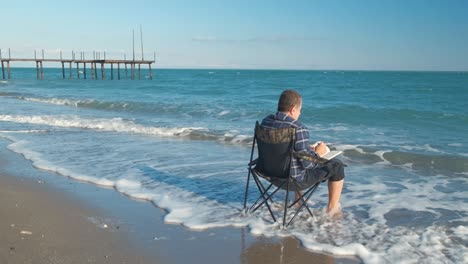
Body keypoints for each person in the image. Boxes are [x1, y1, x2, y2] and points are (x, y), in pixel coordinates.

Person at [261, 89, 345, 216]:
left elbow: (281, 149)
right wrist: (319, 153)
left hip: (269, 174)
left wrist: (305, 148)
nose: (299, 113)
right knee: (337, 165)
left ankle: (297, 201)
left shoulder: (266, 122)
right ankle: (332, 210)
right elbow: (308, 165)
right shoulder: (298, 128)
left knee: (295, 160)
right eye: (299, 110)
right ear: (293, 109)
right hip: (292, 180)